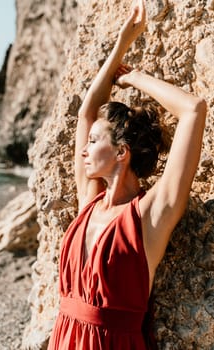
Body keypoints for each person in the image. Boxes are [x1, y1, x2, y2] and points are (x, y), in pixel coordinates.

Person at [48, 0, 207, 349]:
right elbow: (88, 111)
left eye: (94, 142)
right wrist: (120, 47)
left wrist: (133, 77)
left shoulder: (150, 216)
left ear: (122, 152)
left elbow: (193, 109)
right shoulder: (89, 201)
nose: (84, 150)